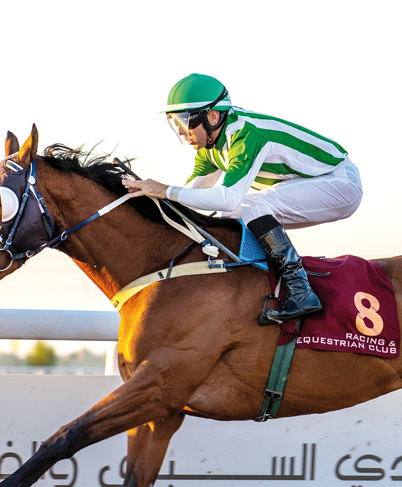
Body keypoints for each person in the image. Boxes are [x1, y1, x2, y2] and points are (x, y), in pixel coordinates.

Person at [122, 73, 363, 325]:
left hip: (339, 183)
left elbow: (226, 197)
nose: (182, 133)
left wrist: (164, 190)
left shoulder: (245, 133)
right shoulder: (210, 146)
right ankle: (253, 282)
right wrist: (145, 200)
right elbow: (192, 197)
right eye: (175, 123)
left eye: (184, 122)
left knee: (248, 205)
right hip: (311, 185)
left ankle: (300, 291)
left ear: (212, 117)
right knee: (230, 214)